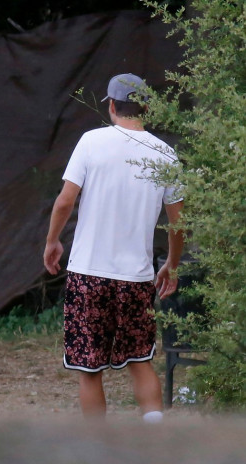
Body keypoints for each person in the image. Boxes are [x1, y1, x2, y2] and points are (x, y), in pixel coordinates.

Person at [43, 73, 184, 423]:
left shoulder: (91, 142)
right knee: (140, 361)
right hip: (136, 278)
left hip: (88, 274)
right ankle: (155, 442)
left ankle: (99, 450)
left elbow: (64, 202)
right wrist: (172, 263)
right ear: (146, 108)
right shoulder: (165, 154)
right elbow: (178, 223)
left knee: (89, 369)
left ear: (111, 105)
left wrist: (52, 241)